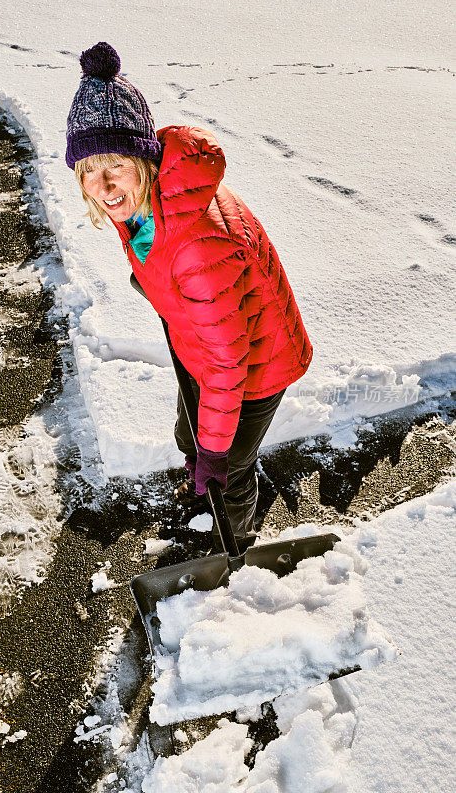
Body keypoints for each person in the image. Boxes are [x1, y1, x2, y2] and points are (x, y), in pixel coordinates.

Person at [66, 42, 313, 551]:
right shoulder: (146, 202)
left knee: (229, 468)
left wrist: (217, 456)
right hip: (206, 340)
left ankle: (235, 544)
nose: (104, 184)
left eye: (116, 164)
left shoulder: (193, 246)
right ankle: (205, 478)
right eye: (89, 168)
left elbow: (229, 362)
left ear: (145, 159)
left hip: (256, 361)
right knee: (190, 439)